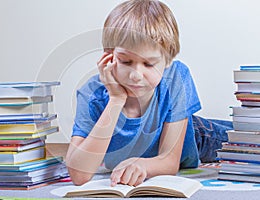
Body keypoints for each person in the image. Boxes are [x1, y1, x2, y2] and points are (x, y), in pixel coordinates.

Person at [66, 0, 233, 186]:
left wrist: (143, 165)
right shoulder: (91, 94)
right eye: (126, 62)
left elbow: (170, 162)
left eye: (149, 64)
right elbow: (79, 175)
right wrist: (116, 100)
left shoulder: (176, 77)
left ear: (167, 60)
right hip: (146, 140)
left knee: (248, 139)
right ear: (108, 56)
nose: (136, 75)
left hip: (195, 135)